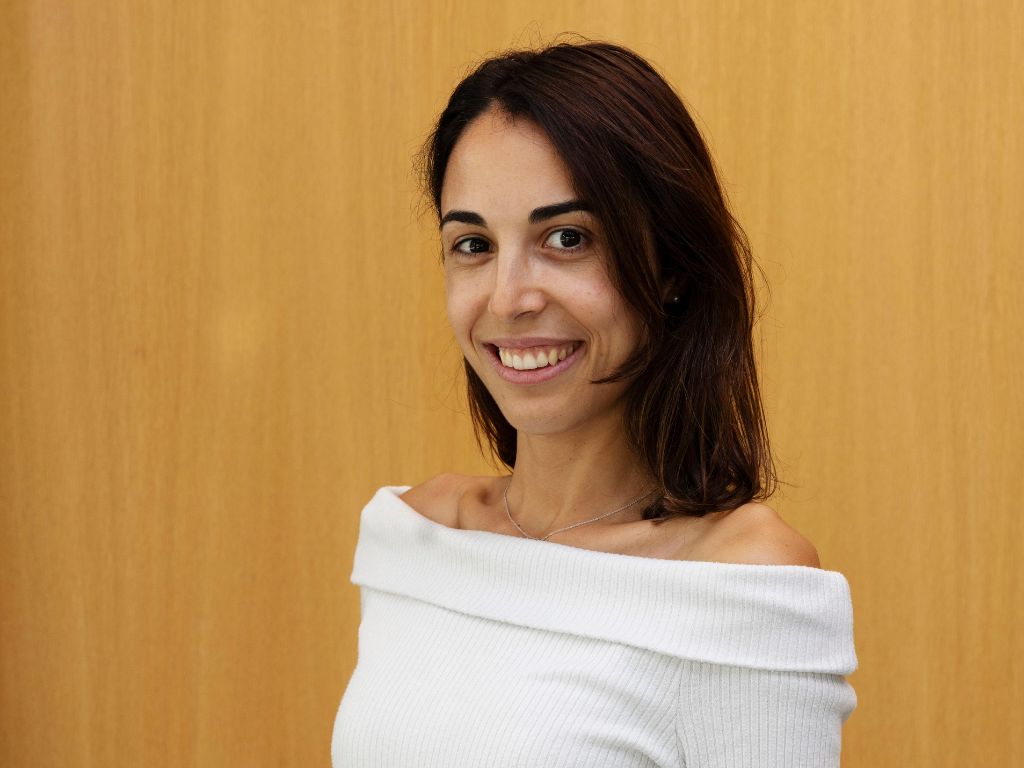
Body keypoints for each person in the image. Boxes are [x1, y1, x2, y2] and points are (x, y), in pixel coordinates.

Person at [332, 37, 857, 767]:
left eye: (566, 237)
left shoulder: (741, 581)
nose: (508, 299)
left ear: (671, 267)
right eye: (473, 245)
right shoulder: (413, 536)